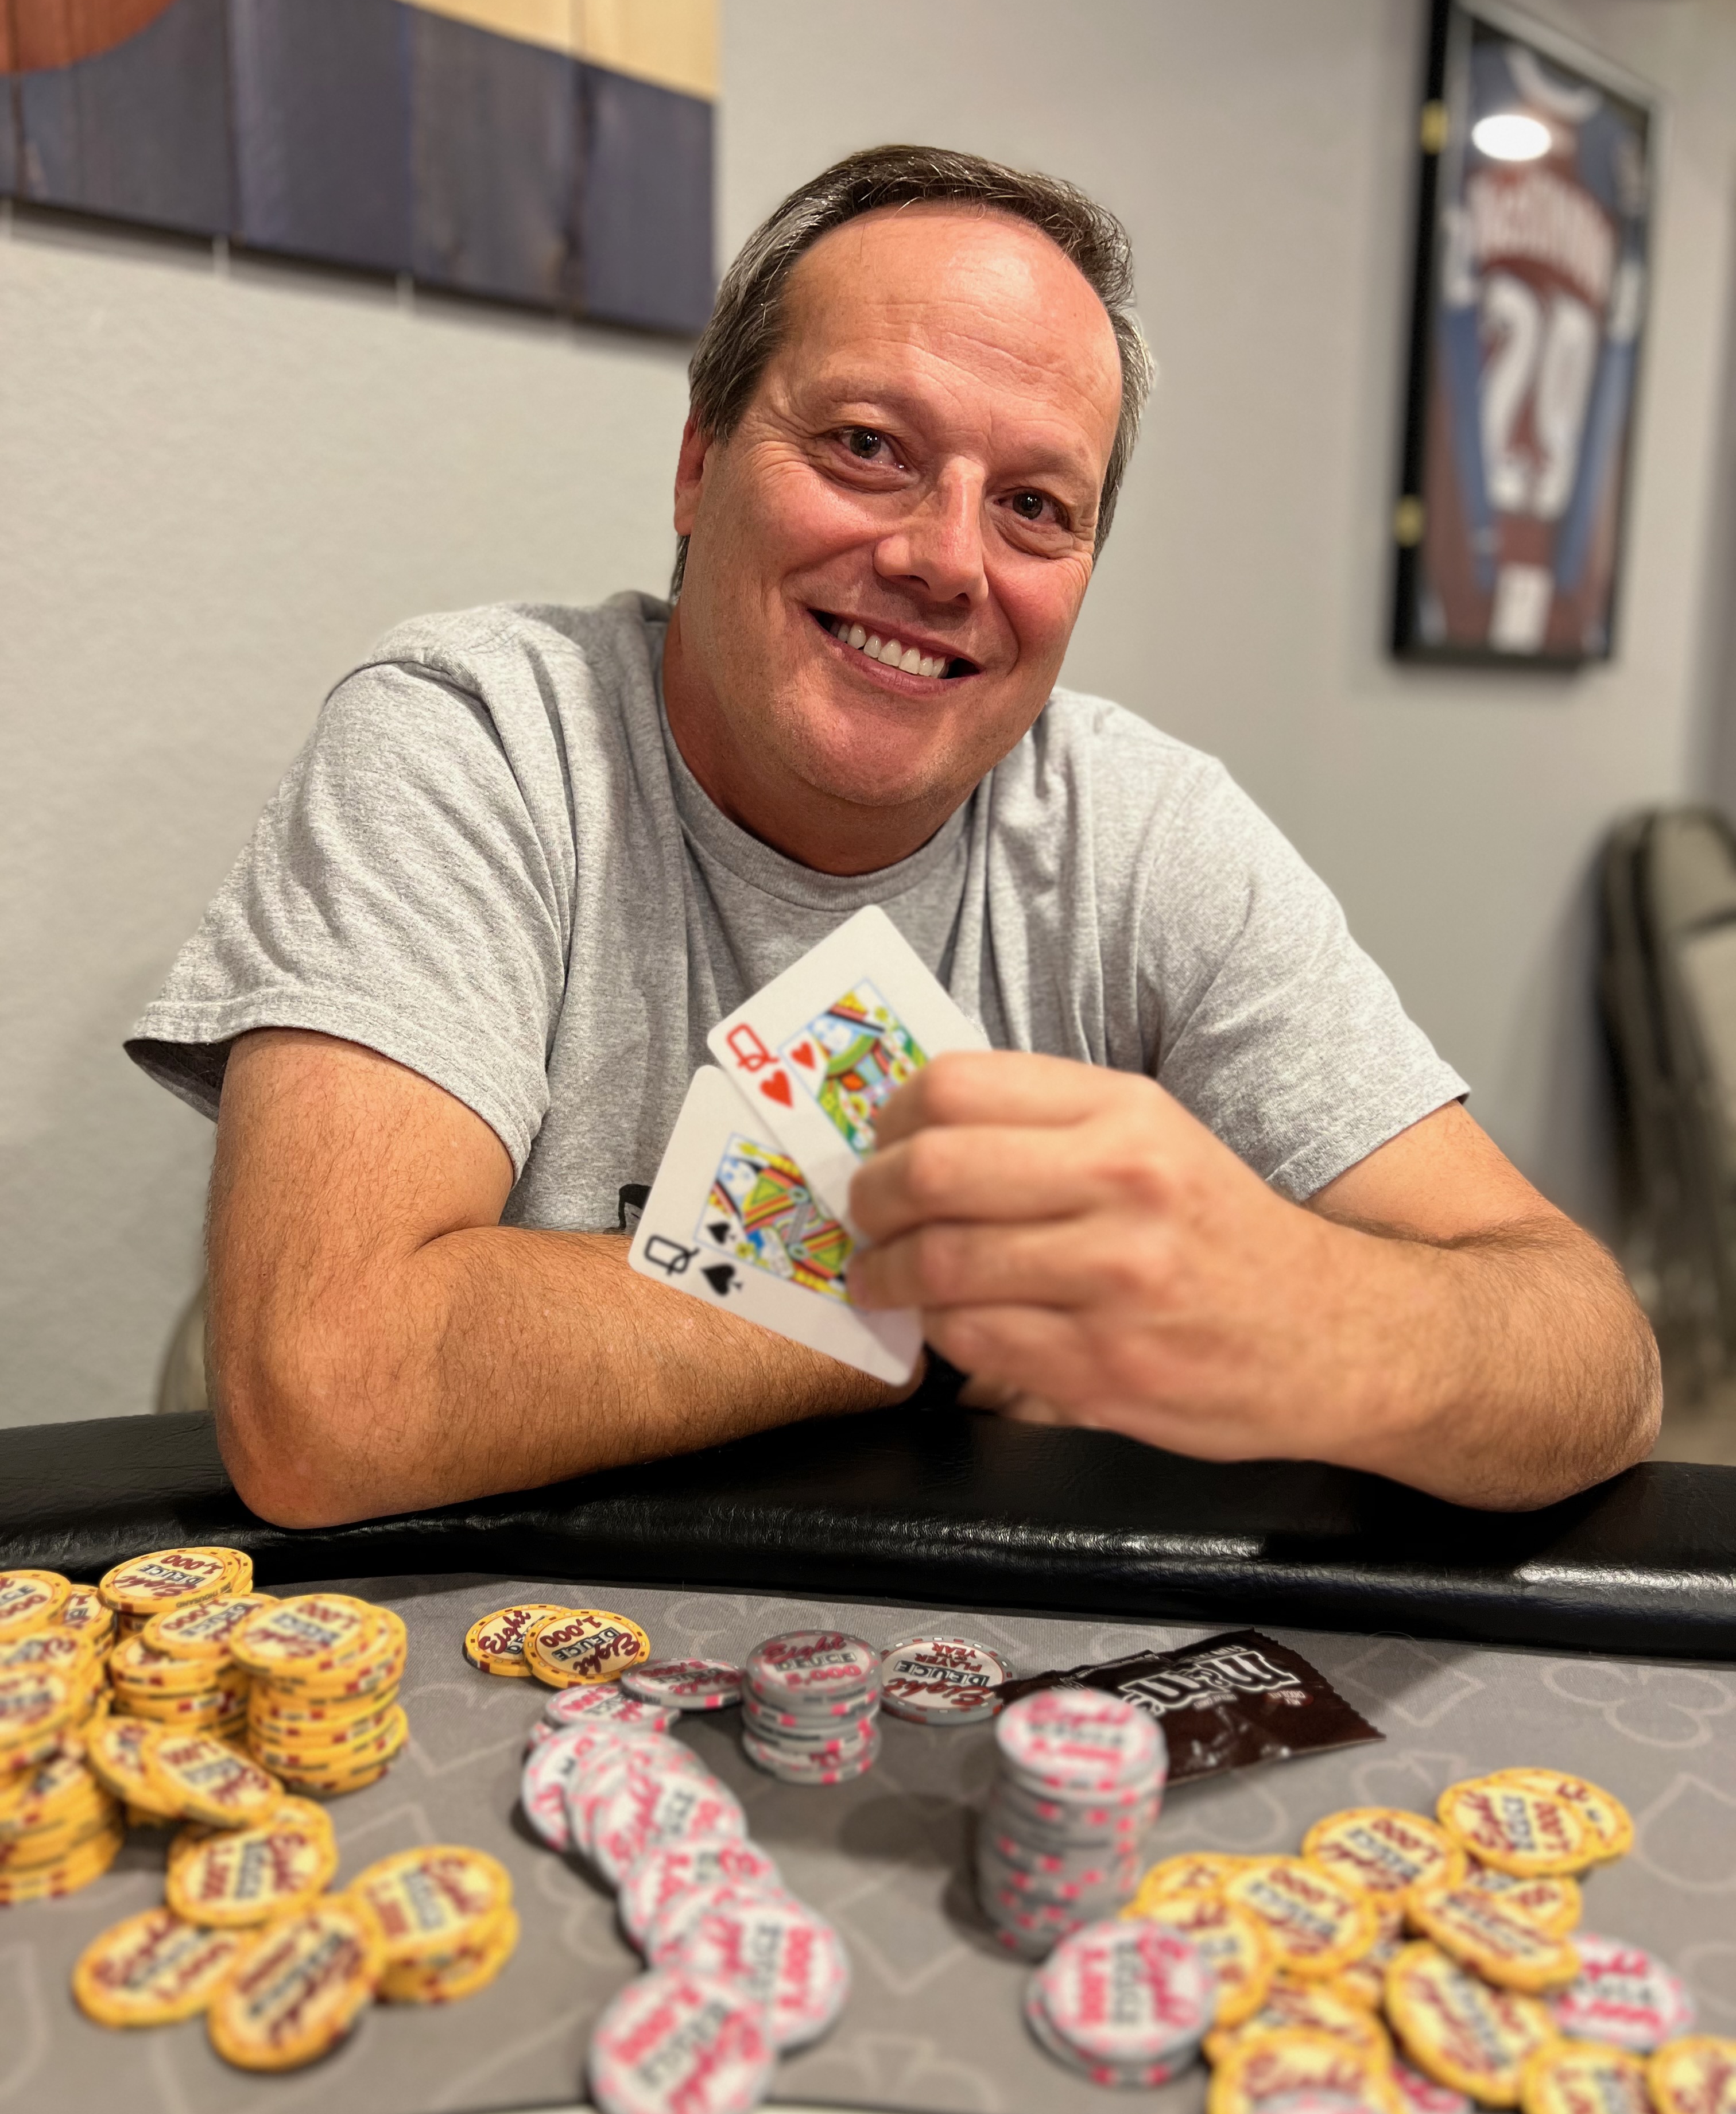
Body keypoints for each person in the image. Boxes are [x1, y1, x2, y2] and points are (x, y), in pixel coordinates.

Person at [128, 145, 1660, 1529]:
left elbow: (1598, 1364)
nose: (945, 560)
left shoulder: (1149, 835)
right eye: (867, 444)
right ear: (699, 463)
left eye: (1038, 508)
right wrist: (941, 1309)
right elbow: (332, 1393)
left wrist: (1298, 1308)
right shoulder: (477, 740)